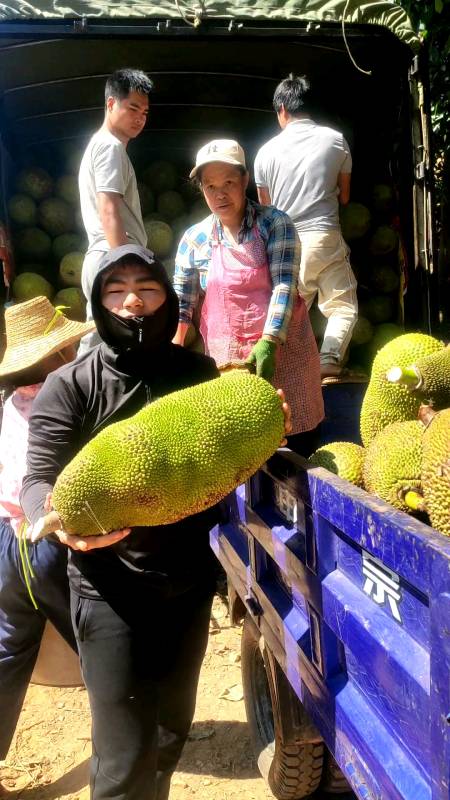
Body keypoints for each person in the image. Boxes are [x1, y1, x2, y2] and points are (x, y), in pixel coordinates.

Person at [20, 244, 290, 800]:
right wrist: (53, 518)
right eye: (115, 291)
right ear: (98, 303)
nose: (133, 303)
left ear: (169, 298)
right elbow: (37, 481)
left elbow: (223, 457)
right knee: (122, 758)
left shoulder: (198, 374)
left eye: (147, 288)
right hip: (107, 590)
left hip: (188, 583)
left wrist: (268, 425)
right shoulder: (69, 386)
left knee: (169, 735)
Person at [172, 138, 324, 456]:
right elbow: (182, 306)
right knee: (238, 455)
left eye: (228, 182)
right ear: (201, 189)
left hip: (286, 358)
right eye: (210, 186)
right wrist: (171, 353)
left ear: (245, 180)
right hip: (230, 367)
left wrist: (270, 341)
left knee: (295, 451)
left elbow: (284, 285)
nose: (220, 194)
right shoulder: (194, 240)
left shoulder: (275, 223)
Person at [0, 297, 94, 782]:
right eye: (69, 346)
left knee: (10, 646)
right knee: (96, 639)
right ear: (55, 356)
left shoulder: (11, 404)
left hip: (5, 544)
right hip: (45, 542)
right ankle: (126, 740)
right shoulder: (61, 403)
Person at [254, 74, 358, 378]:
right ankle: (329, 359)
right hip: (324, 235)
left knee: (290, 314)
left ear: (282, 109)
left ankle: (284, 372)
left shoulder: (264, 153)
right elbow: (347, 197)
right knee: (341, 307)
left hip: (285, 244)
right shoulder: (336, 140)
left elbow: (266, 210)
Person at [78, 68, 153, 352]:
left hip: (102, 257)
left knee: (103, 344)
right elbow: (108, 208)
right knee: (110, 346)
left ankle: (79, 393)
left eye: (145, 112)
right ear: (111, 104)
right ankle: (74, 394)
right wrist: (125, 268)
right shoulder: (110, 148)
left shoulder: (100, 145)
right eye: (133, 108)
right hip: (111, 257)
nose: (140, 118)